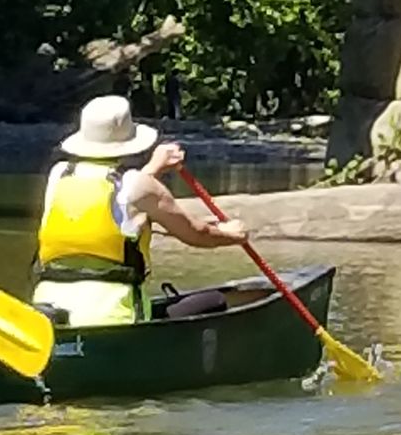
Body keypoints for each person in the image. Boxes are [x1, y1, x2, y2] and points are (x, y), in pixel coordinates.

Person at [33, 95, 249, 327]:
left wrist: (154, 168)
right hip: (115, 316)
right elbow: (198, 234)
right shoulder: (139, 185)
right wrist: (233, 235)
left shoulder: (59, 174)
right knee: (215, 301)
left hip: (48, 311)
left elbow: (120, 196)